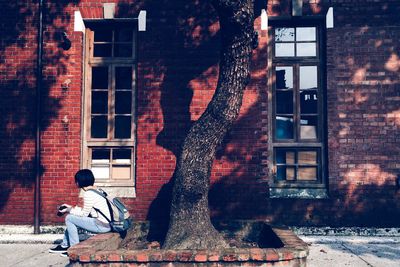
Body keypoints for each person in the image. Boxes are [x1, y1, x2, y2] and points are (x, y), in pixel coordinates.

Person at [49, 169, 112, 257]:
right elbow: (86, 211)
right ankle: (65, 245)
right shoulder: (98, 190)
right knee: (73, 218)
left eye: (76, 180)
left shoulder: (89, 194)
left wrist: (68, 210)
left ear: (80, 182)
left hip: (102, 225)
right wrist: (70, 208)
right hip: (106, 223)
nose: (76, 183)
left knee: (69, 218)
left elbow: (84, 214)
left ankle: (74, 249)